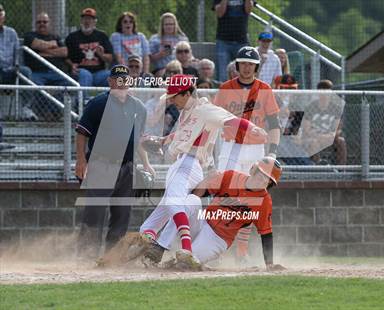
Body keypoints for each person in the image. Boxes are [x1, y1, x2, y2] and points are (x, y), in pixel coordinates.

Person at [137, 74, 267, 262]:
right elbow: (181, 134)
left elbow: (230, 120)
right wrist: (162, 140)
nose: (172, 101)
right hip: (185, 164)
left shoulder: (205, 109)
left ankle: (175, 248)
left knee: (174, 203)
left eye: (175, 96)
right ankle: (152, 242)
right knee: (162, 217)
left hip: (188, 163)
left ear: (187, 93)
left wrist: (253, 128)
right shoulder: (186, 112)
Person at [111, 157, 285, 271]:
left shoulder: (264, 201)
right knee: (192, 200)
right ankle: (160, 247)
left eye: (268, 180)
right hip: (202, 222)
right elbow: (201, 190)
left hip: (218, 239)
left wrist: (269, 264)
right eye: (261, 174)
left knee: (185, 265)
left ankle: (170, 263)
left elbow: (266, 233)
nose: (262, 180)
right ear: (253, 170)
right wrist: (200, 187)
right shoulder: (232, 177)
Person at [75, 64, 153, 258]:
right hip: (102, 164)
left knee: (122, 213)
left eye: (125, 79)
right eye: (117, 79)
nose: (121, 83)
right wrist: (80, 160)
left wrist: (146, 163)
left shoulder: (139, 108)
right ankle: (86, 256)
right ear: (110, 81)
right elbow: (81, 133)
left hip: (127, 167)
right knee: (95, 212)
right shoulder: (97, 104)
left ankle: (112, 257)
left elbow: (139, 139)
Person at [214, 46, 281, 263]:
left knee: (251, 200)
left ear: (256, 67)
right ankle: (217, 245)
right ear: (236, 65)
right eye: (243, 63)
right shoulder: (225, 88)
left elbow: (274, 124)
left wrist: (272, 152)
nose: (246, 67)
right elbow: (214, 121)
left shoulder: (265, 89)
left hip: (256, 149)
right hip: (230, 146)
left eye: (250, 64)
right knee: (224, 196)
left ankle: (241, 251)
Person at [0, 4, 37, 120]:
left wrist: (17, 66)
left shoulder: (11, 33)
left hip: (10, 71)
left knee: (25, 71)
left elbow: (18, 54)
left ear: (3, 17)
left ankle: (26, 109)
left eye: (0, 14)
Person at [65, 8, 113, 87]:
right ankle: (84, 99)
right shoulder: (72, 37)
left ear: (95, 22)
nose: (87, 21)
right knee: (85, 75)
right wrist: (72, 65)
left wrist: (102, 55)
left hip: (99, 73)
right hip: (81, 71)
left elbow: (110, 58)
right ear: (81, 21)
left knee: (113, 75)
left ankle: (111, 99)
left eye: (90, 19)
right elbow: (66, 57)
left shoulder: (102, 36)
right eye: (85, 19)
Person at [303, 80, 347, 165]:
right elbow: (306, 129)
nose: (324, 95)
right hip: (314, 137)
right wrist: (318, 136)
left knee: (341, 141)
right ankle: (318, 168)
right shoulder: (310, 107)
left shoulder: (336, 108)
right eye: (322, 92)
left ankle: (341, 169)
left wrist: (329, 135)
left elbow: (338, 129)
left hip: (329, 137)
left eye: (327, 92)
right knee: (313, 142)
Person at [23, 12, 68, 86]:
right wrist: (53, 45)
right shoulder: (29, 36)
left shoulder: (55, 37)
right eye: (39, 22)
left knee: (71, 84)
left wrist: (43, 51)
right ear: (35, 24)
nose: (42, 24)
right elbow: (37, 45)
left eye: (45, 22)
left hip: (56, 72)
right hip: (37, 72)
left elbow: (64, 52)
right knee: (35, 86)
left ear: (49, 23)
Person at [213, 0, 253, 82]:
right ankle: (224, 94)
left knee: (244, 73)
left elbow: (248, 10)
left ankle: (243, 94)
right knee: (223, 76)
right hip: (223, 40)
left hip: (242, 40)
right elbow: (220, 13)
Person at [149, 12, 188, 77]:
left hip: (180, 68)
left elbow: (189, 55)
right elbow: (149, 59)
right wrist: (160, 55)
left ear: (175, 25)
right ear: (162, 26)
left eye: (171, 24)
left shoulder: (182, 38)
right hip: (161, 68)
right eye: (166, 24)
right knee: (166, 74)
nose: (169, 26)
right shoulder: (155, 39)